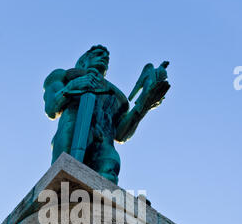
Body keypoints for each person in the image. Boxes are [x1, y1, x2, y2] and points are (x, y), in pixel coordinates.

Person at [43, 45, 169, 184]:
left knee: (108, 178)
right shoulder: (63, 75)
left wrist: (143, 105)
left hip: (105, 140)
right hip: (74, 128)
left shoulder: (116, 96)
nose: (104, 57)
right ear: (84, 59)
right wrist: (72, 85)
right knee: (64, 174)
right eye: (98, 54)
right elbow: (51, 108)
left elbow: (120, 134)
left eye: (106, 58)